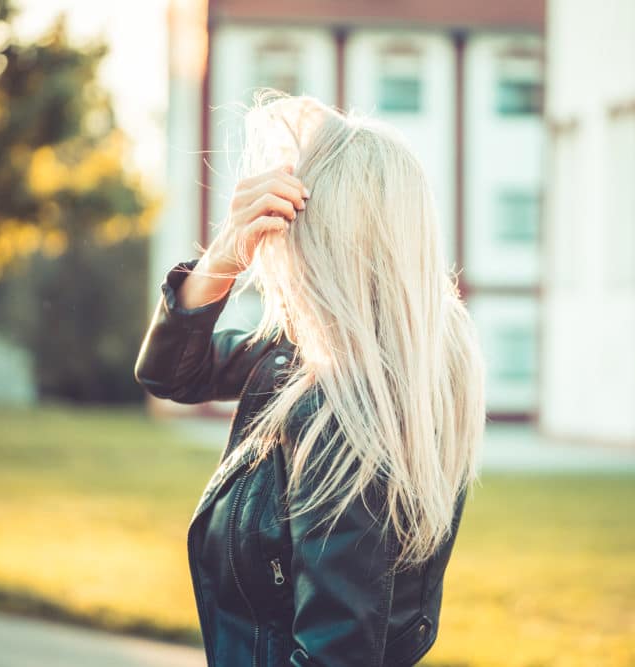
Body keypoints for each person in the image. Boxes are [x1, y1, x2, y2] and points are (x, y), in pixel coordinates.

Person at [134, 94, 486, 667]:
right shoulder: (317, 358)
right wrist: (224, 253)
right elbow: (171, 373)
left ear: (326, 240)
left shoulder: (349, 410)